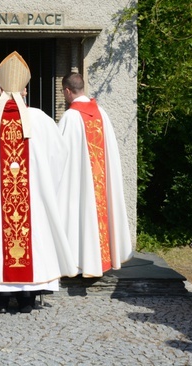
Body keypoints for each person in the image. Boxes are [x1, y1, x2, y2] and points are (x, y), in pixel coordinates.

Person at [0, 52, 77, 313]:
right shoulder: (40, 118)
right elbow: (60, 155)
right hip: (32, 200)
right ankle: (27, 299)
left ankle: (0, 299)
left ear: (0, 89)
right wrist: (43, 182)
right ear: (26, 90)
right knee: (33, 239)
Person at [57, 72, 132, 277]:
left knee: (80, 215)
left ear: (67, 91)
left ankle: (79, 262)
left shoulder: (71, 117)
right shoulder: (101, 113)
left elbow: (58, 155)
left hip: (80, 184)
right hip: (101, 184)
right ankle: (100, 261)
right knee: (98, 214)